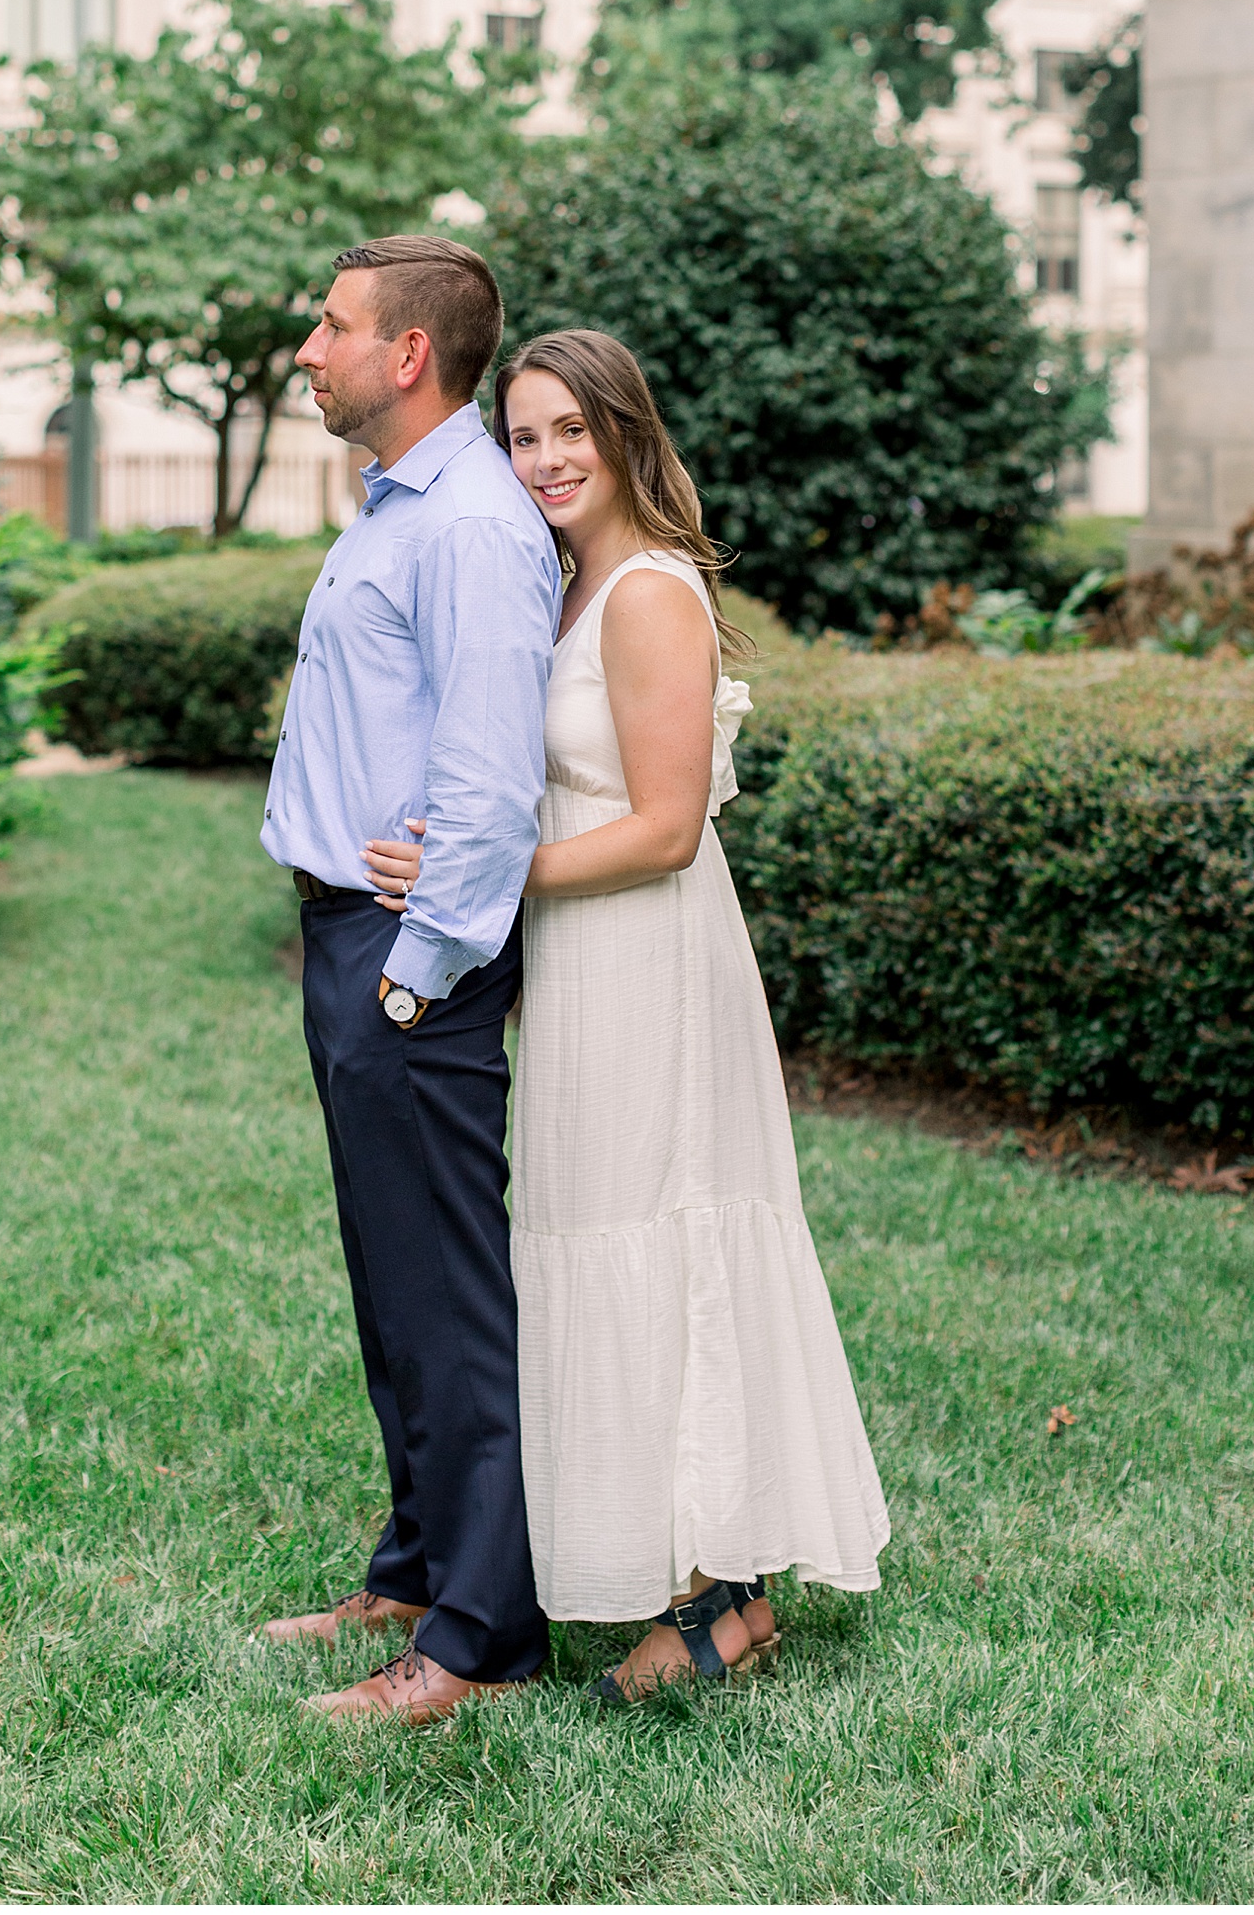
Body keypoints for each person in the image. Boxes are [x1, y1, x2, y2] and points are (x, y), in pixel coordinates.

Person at [364, 328, 889, 1701]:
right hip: (582, 958)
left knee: (672, 1226)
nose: (542, 457)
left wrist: (486, 874)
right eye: (523, 433)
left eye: (567, 432)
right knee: (594, 1233)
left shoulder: (651, 591)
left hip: (651, 951)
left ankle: (725, 1594)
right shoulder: (565, 584)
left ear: (625, 437)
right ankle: (661, 1561)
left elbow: (662, 830)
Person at [258, 236, 560, 1723]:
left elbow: (493, 784)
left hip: (408, 966)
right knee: (393, 1283)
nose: (308, 349)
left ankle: (482, 1632)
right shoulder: (397, 507)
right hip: (347, 939)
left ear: (410, 355)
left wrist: (414, 974)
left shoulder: (472, 529)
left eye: (332, 327)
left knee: (447, 1298)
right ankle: (414, 1567)